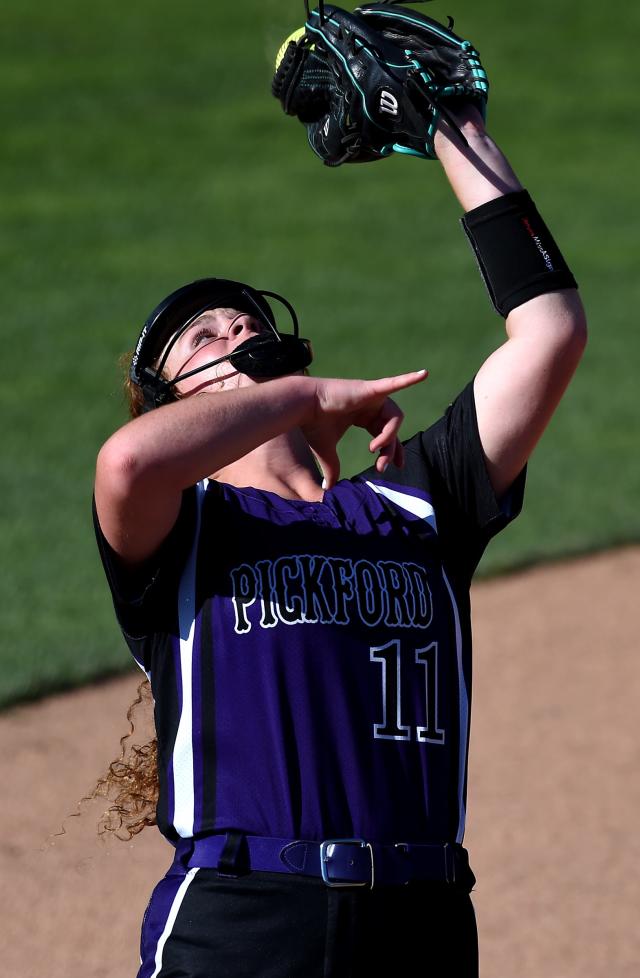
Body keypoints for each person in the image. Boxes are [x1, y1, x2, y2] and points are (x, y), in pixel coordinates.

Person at [93, 99, 586, 978]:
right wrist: (308, 397)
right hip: (243, 922)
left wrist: (451, 130)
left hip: (422, 924)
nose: (235, 329)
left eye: (243, 319)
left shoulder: (418, 501)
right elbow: (126, 466)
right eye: (200, 339)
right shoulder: (186, 527)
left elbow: (550, 332)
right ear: (173, 405)